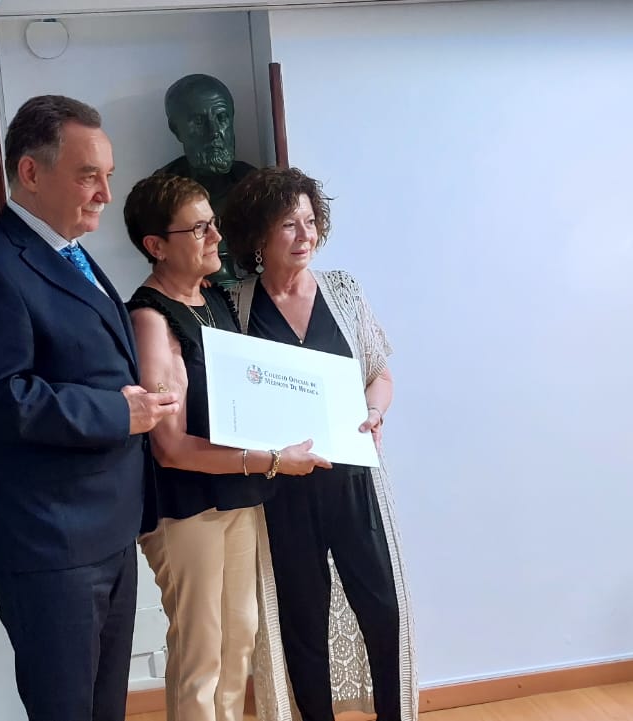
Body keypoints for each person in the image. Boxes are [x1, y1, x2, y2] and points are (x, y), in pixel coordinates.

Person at [0, 94, 179, 721]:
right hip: (49, 539)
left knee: (105, 709)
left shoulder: (72, 252)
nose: (104, 193)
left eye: (108, 176)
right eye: (87, 175)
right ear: (30, 172)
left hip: (109, 527)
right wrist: (114, 413)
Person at [122, 172, 329, 721]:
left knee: (239, 642)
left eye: (213, 224)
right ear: (156, 246)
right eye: (199, 228)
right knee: (201, 654)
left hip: (239, 495)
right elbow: (169, 447)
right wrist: (274, 461)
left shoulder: (214, 300)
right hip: (186, 506)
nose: (215, 237)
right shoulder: (150, 317)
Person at [220, 167, 418, 721]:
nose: (305, 235)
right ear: (259, 235)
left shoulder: (344, 291)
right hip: (282, 491)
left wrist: (375, 412)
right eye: (289, 224)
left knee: (383, 610)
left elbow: (380, 373)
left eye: (310, 222)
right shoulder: (233, 305)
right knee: (302, 624)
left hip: (353, 484)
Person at [152, 73, 258, 287]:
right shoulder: (162, 189)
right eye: (199, 122)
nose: (215, 133)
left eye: (222, 118)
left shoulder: (255, 186)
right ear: (176, 129)